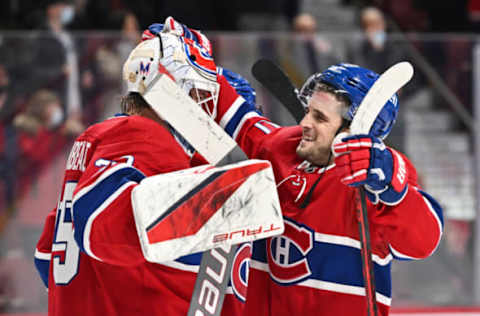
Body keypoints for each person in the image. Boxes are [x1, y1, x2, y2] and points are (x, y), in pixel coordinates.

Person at [143, 20, 443, 316]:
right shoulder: (281, 148)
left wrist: (390, 179)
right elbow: (238, 117)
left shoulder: (377, 181)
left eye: (319, 118)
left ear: (353, 132)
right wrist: (189, 57)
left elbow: (423, 241)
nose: (303, 123)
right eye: (309, 111)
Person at [33, 30, 252, 316]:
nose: (206, 114)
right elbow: (101, 224)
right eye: (200, 95)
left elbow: (47, 256)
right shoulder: (144, 135)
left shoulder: (100, 136)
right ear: (173, 93)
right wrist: (223, 203)